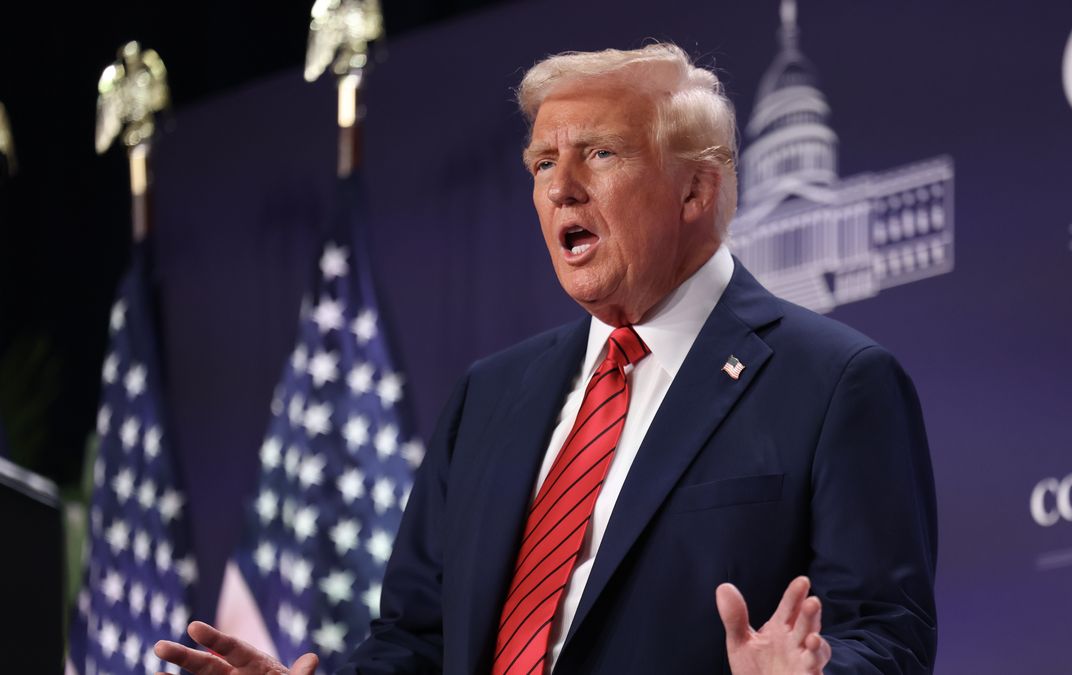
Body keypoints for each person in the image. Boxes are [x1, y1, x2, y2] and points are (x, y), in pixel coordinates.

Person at [156, 43, 937, 675]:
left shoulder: (835, 383)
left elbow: (886, 637)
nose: (561, 187)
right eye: (541, 163)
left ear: (696, 191)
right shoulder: (490, 396)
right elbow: (414, 640)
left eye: (600, 153)